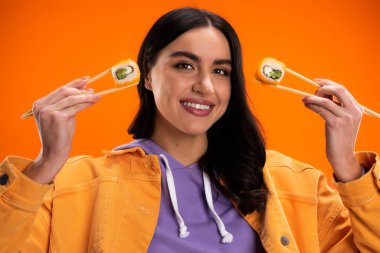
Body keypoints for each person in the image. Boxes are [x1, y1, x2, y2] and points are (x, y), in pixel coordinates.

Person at [0, 7, 379, 253]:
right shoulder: (73, 185)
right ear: (147, 73)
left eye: (220, 71)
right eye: (184, 65)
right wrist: (46, 164)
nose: (206, 87)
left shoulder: (295, 185)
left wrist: (346, 165)